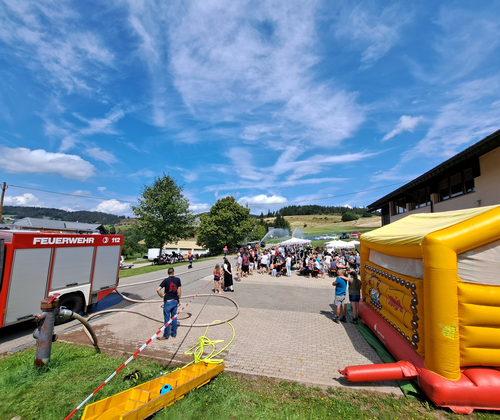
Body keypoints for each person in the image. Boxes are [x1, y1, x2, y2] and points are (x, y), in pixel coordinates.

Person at [156, 267, 181, 340]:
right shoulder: (178, 279)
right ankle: (173, 333)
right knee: (174, 317)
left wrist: (161, 295)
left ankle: (166, 335)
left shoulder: (166, 280)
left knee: (167, 319)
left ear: (168, 273)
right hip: (175, 300)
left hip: (168, 301)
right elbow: (179, 290)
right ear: (173, 272)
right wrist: (179, 298)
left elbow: (158, 290)